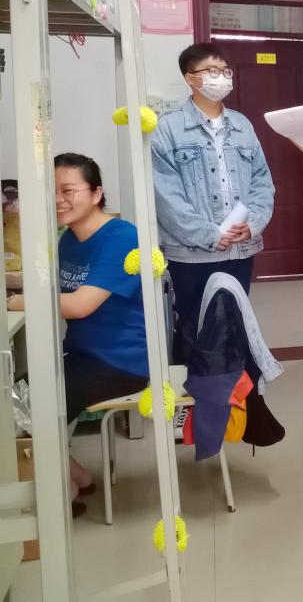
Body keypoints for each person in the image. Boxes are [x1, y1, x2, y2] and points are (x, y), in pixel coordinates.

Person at [7, 154, 151, 517]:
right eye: (52, 191)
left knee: (21, 404)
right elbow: (52, 288)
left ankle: (63, 490)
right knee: (17, 392)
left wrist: (12, 301)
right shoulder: (69, 238)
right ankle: (76, 476)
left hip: (121, 361)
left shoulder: (122, 237)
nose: (58, 199)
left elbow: (80, 305)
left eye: (68, 190)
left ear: (97, 193)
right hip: (84, 355)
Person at [151, 43, 275, 365]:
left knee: (234, 322)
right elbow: (165, 196)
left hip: (239, 250)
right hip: (191, 254)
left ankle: (234, 389)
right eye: (212, 71)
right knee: (195, 326)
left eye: (225, 71)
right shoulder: (168, 128)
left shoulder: (242, 125)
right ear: (190, 78)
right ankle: (194, 393)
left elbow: (262, 182)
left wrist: (253, 224)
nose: (222, 77)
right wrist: (208, 234)